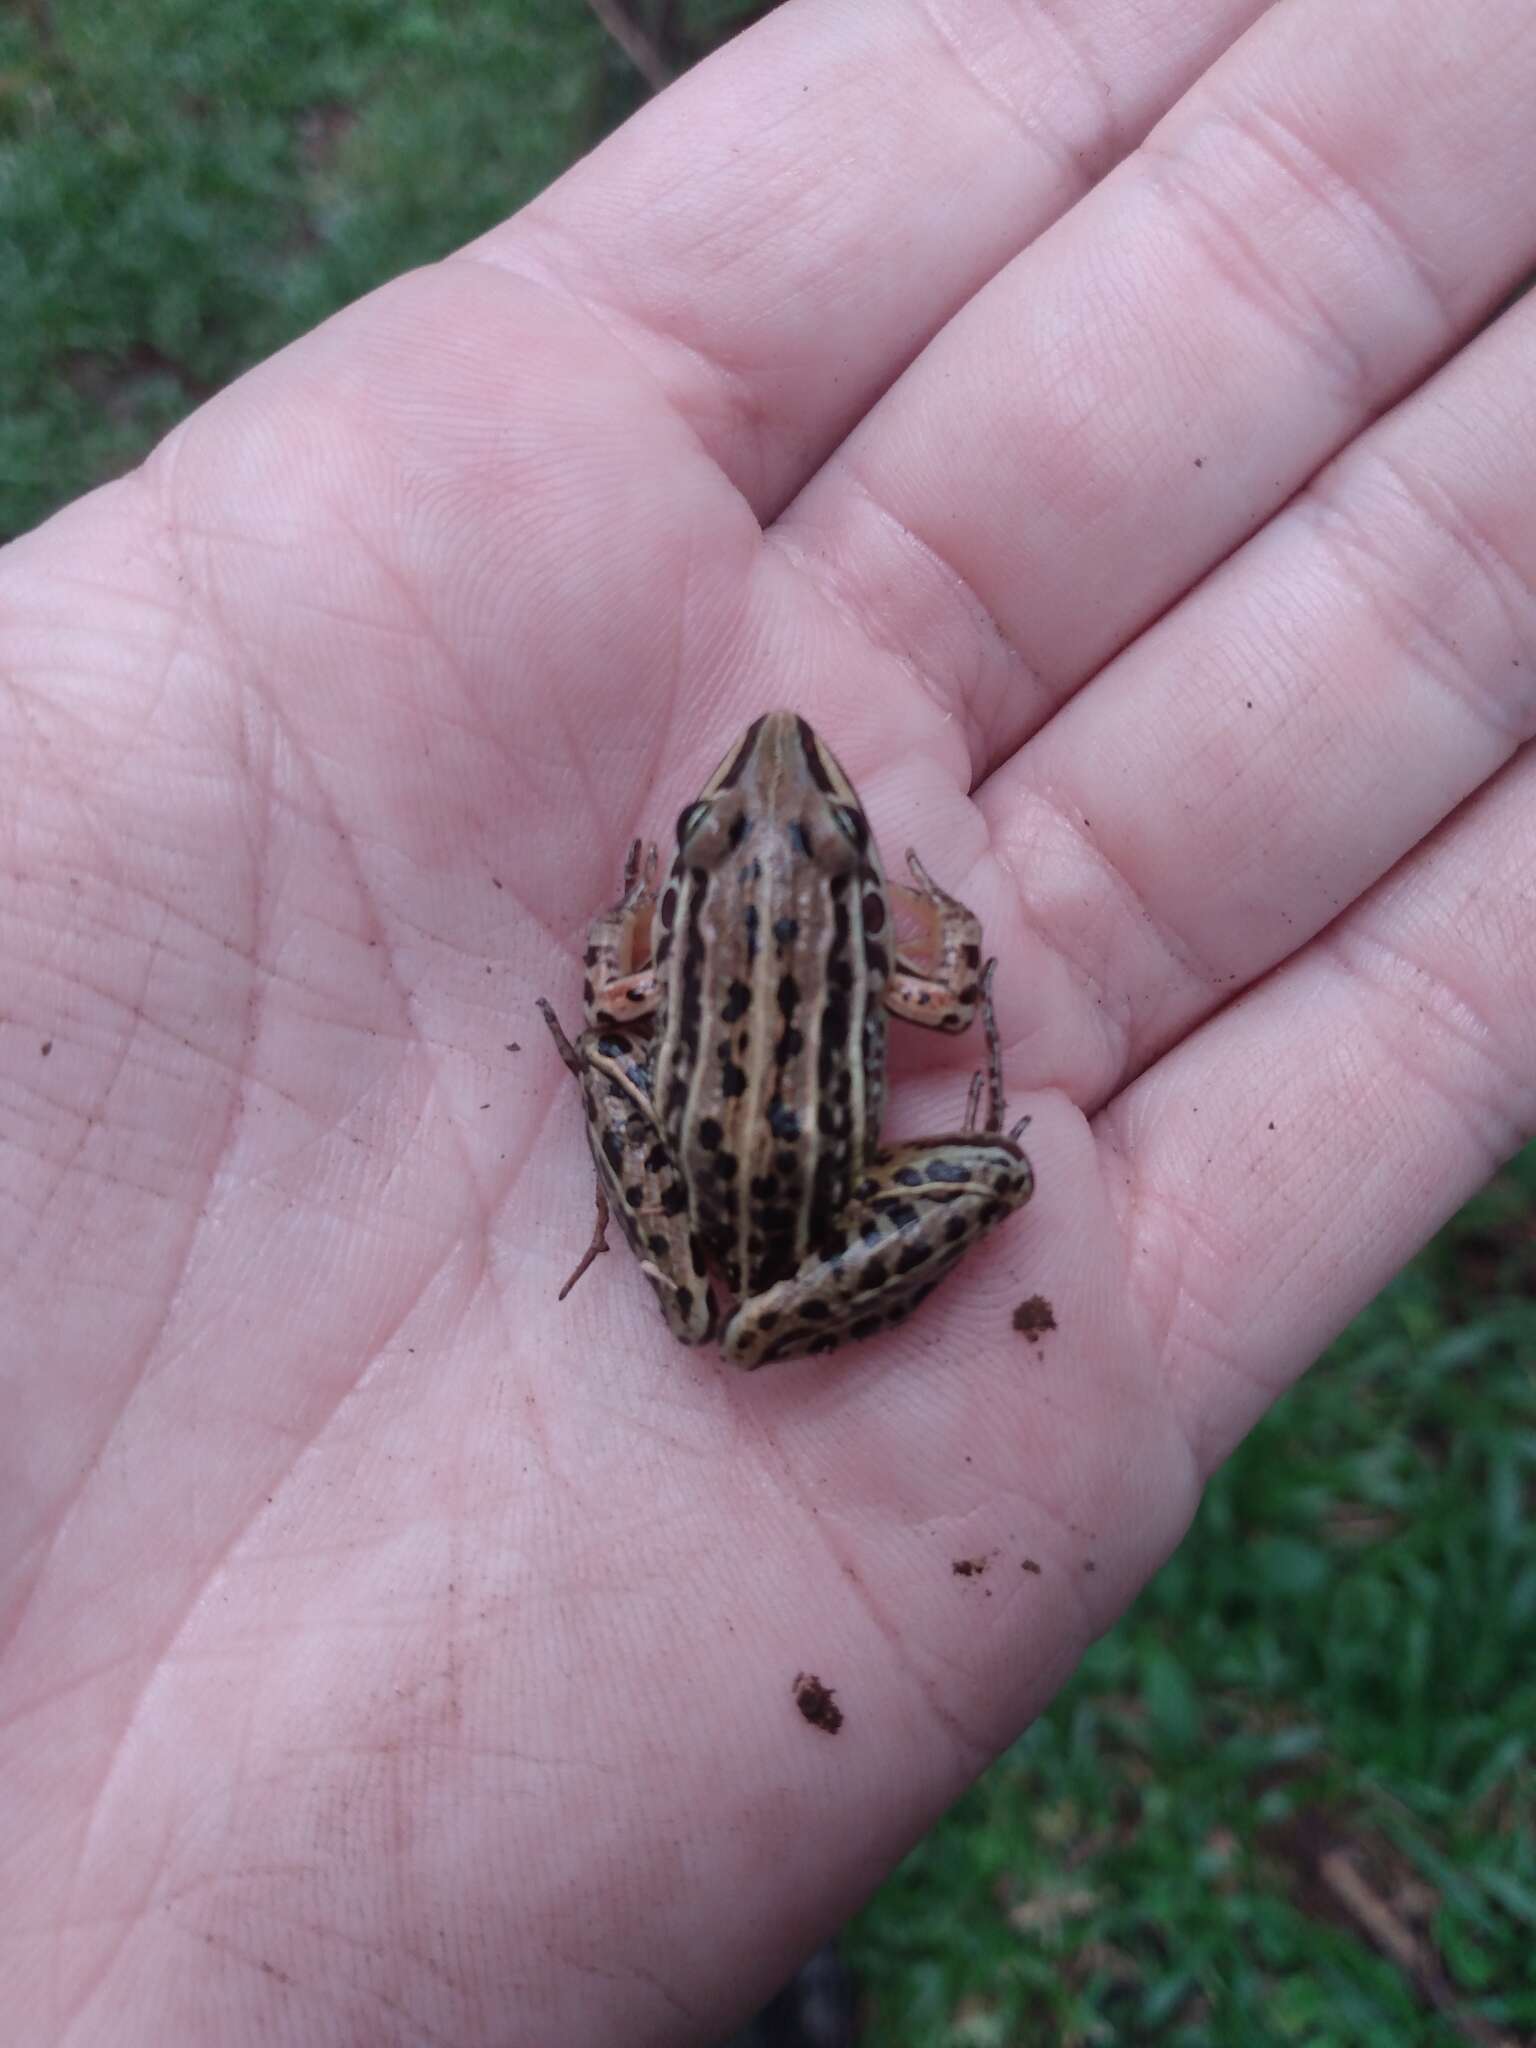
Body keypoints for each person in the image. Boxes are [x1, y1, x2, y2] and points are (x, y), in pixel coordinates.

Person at [3, 1, 1534, 2040]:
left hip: (725, 1207)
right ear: (795, 874)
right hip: (807, 1223)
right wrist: (916, 950)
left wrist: (654, 931)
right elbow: (950, 995)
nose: (771, 788)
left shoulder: (680, 932)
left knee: (655, 1087)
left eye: (753, 818)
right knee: (983, 1164)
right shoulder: (877, 955)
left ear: (732, 867)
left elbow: (620, 1003)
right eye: (759, 816)